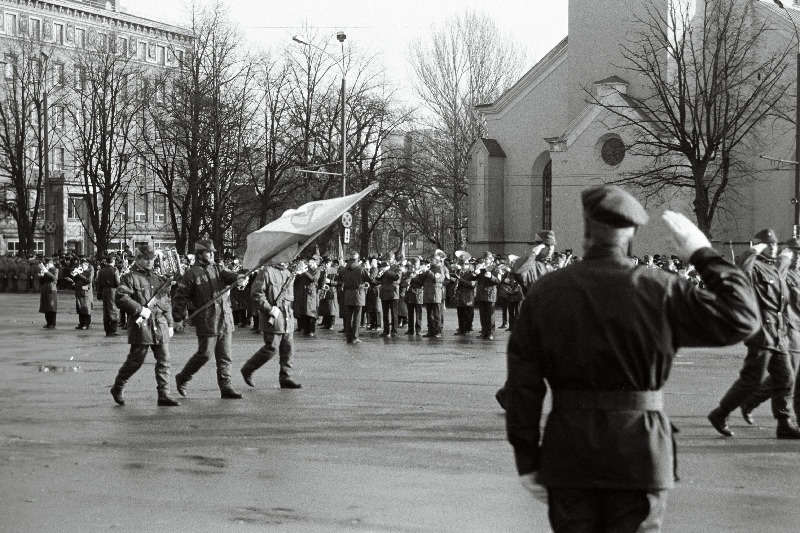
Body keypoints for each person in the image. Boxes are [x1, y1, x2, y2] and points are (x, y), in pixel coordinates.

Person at [505, 185, 758, 533]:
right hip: (639, 451)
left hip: (569, 452)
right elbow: (743, 316)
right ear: (633, 234)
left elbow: (523, 385)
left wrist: (526, 457)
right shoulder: (660, 288)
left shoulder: (547, 291)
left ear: (586, 229)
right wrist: (701, 252)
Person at [708, 229, 800, 439]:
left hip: (778, 333)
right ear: (761, 246)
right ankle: (720, 413)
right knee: (752, 379)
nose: (775, 248)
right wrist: (753, 251)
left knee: (786, 379)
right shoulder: (756, 267)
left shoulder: (772, 268)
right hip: (761, 332)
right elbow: (741, 272)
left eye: (776, 245)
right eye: (770, 245)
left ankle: (784, 423)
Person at [172, 240, 243, 399]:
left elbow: (229, 276)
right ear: (199, 254)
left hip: (225, 318)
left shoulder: (218, 269)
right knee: (205, 354)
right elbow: (180, 297)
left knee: (225, 356)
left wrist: (239, 278)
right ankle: (183, 377)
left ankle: (226, 387)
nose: (212, 254)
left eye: (212, 252)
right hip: (207, 320)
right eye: (208, 252)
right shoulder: (192, 273)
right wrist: (177, 318)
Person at [740, 237, 800, 426]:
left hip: (798, 329)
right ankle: (752, 402)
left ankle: (750, 401)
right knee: (787, 377)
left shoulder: (797, 274)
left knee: (788, 377)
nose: (797, 257)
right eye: (794, 252)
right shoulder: (777, 272)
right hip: (788, 332)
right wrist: (783, 260)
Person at [110, 244, 179, 406]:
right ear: (139, 259)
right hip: (142, 326)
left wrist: (170, 323)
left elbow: (165, 302)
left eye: (152, 259)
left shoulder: (157, 278)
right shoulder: (130, 277)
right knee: (136, 361)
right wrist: (139, 309)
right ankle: (118, 386)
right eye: (146, 259)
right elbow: (120, 297)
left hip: (159, 324)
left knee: (165, 360)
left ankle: (164, 395)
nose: (150, 262)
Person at [240, 260, 302, 389]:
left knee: (288, 348)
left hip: (287, 316)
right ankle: (248, 369)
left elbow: (290, 296)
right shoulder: (266, 272)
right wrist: (269, 309)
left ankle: (286, 377)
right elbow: (257, 293)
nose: (287, 260)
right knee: (271, 348)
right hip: (273, 316)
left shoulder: (287, 273)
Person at [340, 251, 373, 344]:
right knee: (357, 317)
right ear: (357, 259)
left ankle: (348, 337)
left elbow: (339, 280)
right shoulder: (360, 269)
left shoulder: (344, 269)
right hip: (358, 294)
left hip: (347, 294)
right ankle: (355, 337)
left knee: (348, 317)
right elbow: (369, 280)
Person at [471, 252, 500, 340]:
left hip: (490, 294)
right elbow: (474, 278)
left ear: (491, 260)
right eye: (484, 259)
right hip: (481, 294)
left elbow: (498, 281)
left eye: (486, 259)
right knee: (482, 315)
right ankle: (484, 332)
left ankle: (490, 332)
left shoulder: (495, 269)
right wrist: (474, 273)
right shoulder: (481, 269)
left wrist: (491, 276)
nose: (485, 260)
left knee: (490, 315)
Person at [96, 254, 121, 336]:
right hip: (112, 290)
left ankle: (107, 330)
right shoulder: (114, 270)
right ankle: (113, 330)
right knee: (113, 309)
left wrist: (99, 294)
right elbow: (117, 282)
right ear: (113, 261)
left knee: (106, 310)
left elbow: (98, 283)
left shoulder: (101, 271)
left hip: (104, 290)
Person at [377, 258, 401, 337]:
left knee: (394, 313)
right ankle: (386, 331)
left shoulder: (397, 268)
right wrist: (379, 274)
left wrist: (387, 271)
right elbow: (378, 279)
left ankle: (394, 330)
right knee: (385, 314)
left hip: (393, 293)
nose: (389, 260)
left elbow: (397, 277)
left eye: (390, 258)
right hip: (384, 293)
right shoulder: (384, 271)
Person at [404, 258, 424, 336]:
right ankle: (410, 329)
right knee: (410, 313)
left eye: (415, 264)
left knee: (418, 314)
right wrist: (409, 278)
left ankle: (418, 329)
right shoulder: (408, 272)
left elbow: (422, 283)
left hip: (418, 294)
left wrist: (414, 278)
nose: (414, 266)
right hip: (410, 295)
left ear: (418, 264)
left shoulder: (421, 272)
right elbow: (404, 282)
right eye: (412, 264)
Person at [72, 257, 94, 330]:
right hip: (78, 291)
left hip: (86, 291)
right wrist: (74, 274)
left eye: (82, 264)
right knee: (79, 308)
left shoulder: (90, 270)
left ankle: (86, 323)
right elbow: (75, 280)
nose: (80, 266)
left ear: (86, 264)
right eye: (80, 264)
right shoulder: (80, 270)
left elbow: (88, 280)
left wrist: (79, 274)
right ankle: (81, 323)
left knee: (86, 308)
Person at [38, 258, 58, 329]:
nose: (46, 265)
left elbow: (54, 278)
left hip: (51, 290)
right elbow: (42, 281)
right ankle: (48, 322)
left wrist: (46, 272)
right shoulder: (46, 270)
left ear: (51, 263)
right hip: (45, 289)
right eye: (45, 264)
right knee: (46, 306)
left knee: (51, 307)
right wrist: (41, 276)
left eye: (47, 264)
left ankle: (52, 323)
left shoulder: (55, 270)